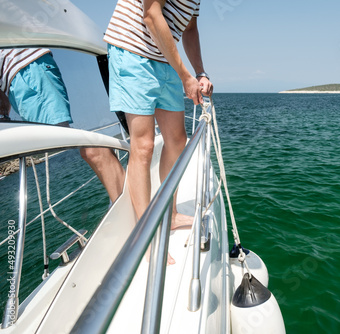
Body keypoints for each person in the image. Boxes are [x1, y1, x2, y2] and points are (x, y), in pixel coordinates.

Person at [104, 0, 213, 264]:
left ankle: (170, 213)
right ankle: (145, 236)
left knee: (177, 140)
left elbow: (189, 29)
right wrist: (185, 75)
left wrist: (199, 72)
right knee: (144, 145)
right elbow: (151, 14)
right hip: (133, 50)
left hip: (165, 58)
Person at [0, 48, 125, 202]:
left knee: (66, 137)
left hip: (26, 70)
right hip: (18, 79)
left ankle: (125, 200)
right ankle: (122, 196)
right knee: (59, 138)